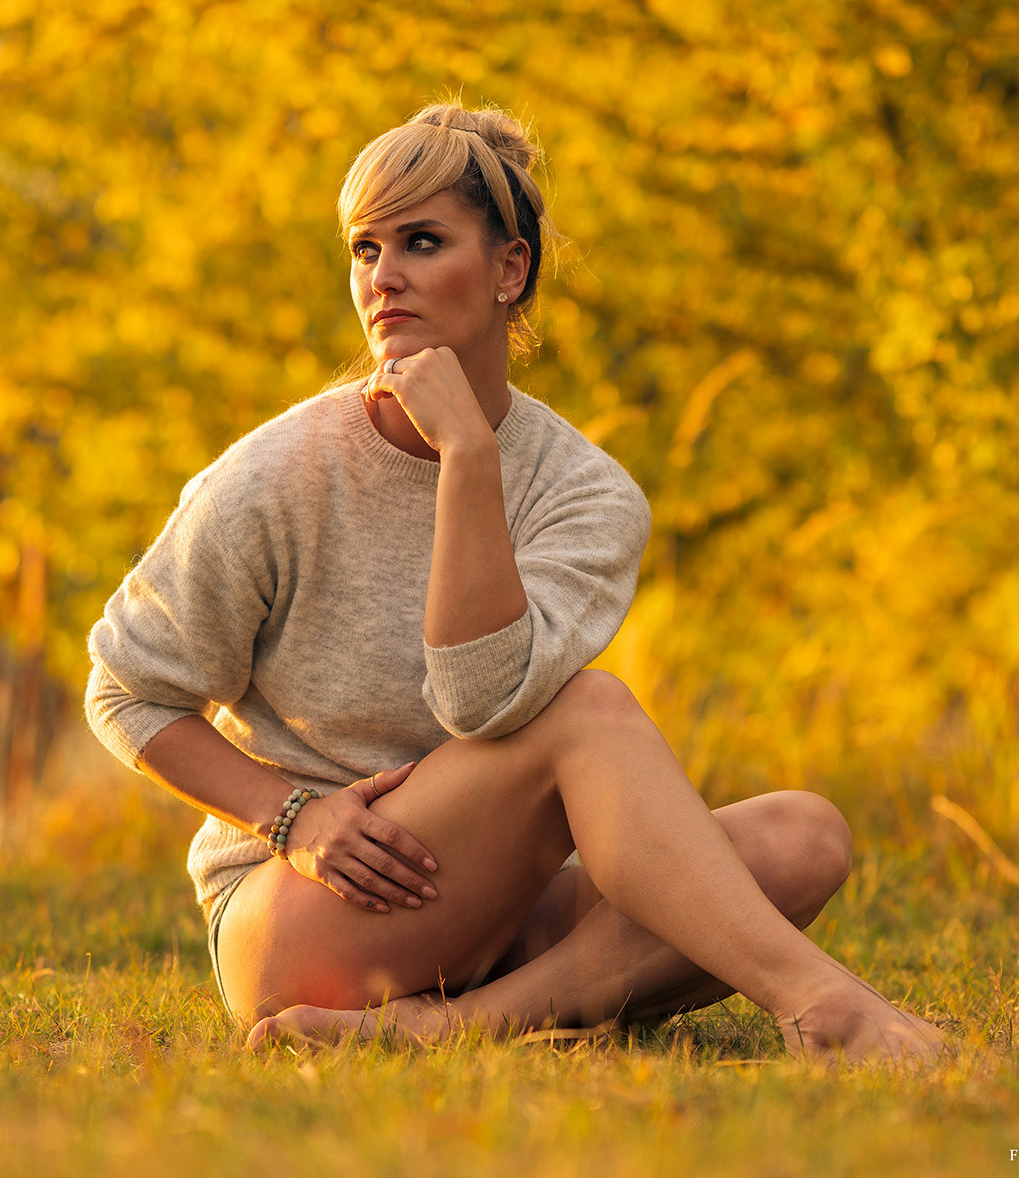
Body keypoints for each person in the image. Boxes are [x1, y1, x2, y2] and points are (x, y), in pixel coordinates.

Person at [85, 101, 948, 1064]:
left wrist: (469, 457)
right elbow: (125, 690)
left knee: (804, 837)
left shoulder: (586, 494)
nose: (384, 277)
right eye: (366, 248)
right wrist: (291, 817)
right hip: (307, 912)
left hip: (490, 910)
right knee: (588, 712)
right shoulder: (277, 475)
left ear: (510, 269)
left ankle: (451, 1026)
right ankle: (821, 1005)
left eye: (421, 241)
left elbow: (481, 700)